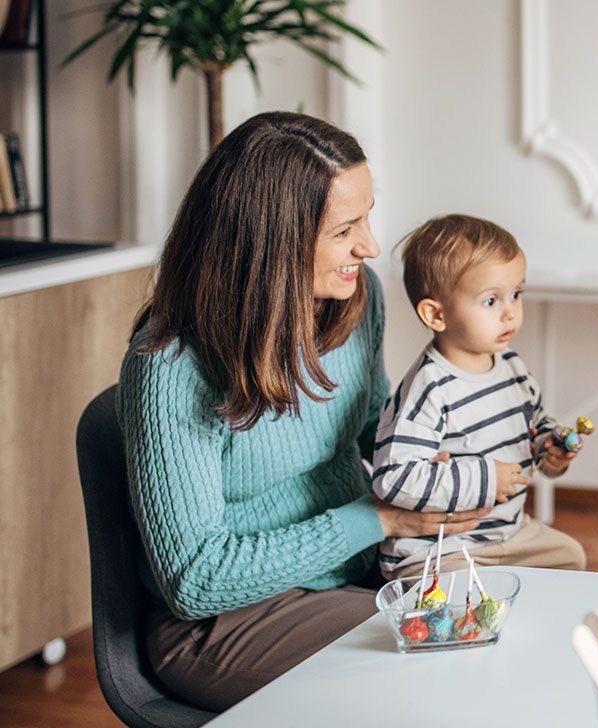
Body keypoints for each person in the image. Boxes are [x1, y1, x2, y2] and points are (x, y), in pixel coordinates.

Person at [117, 112, 493, 711]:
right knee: (442, 670)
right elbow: (195, 579)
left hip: (354, 574)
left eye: (366, 216)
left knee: (507, 616)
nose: (369, 245)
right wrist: (378, 518)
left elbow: (370, 416)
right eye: (346, 229)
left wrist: (426, 459)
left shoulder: (352, 298)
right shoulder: (169, 368)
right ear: (273, 241)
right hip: (225, 620)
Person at [373, 214, 586, 578]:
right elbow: (394, 477)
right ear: (436, 314)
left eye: (516, 294)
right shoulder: (429, 388)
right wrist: (485, 479)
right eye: (491, 301)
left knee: (570, 557)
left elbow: (531, 429)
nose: (510, 313)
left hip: (509, 533)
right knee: (459, 598)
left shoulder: (512, 366)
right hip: (442, 549)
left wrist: (550, 449)